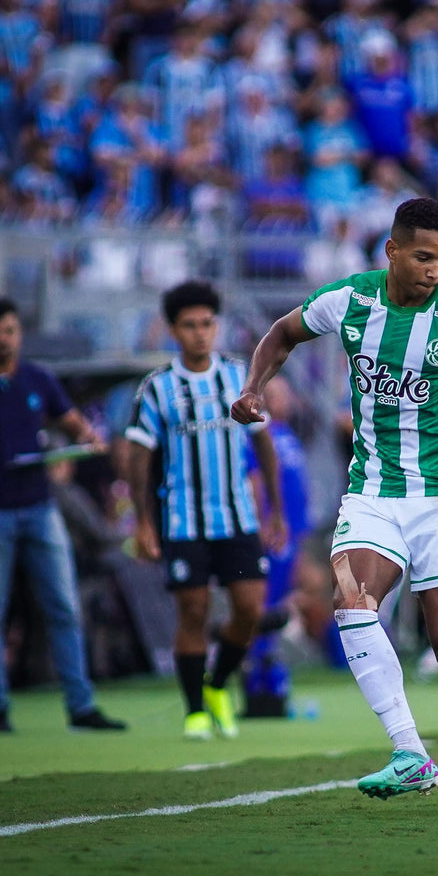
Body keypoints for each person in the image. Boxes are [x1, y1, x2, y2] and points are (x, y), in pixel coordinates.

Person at [231, 198, 438, 814]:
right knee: (351, 599)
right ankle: (410, 753)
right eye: (422, 257)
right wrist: (254, 387)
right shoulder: (351, 301)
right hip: (373, 493)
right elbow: (282, 334)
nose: (435, 270)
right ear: (391, 251)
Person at [0, 297, 126, 734]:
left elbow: (70, 420)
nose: (1, 340)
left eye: (8, 331)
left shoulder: (37, 379)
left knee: (63, 605)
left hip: (38, 507)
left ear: (18, 334)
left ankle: (80, 705)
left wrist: (85, 435)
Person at [125, 281, 287, 741]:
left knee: (250, 610)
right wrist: (142, 522)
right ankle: (196, 710)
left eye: (207, 323)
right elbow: (138, 456)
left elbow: (265, 444)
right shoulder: (158, 389)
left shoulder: (240, 377)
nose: (200, 333)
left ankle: (217, 686)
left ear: (217, 326)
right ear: (174, 330)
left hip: (237, 518)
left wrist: (276, 512)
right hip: (183, 519)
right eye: (190, 325)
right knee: (193, 612)